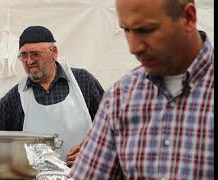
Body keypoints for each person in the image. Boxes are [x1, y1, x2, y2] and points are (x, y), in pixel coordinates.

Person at [70, 0, 214, 179]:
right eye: (126, 30)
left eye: (146, 30)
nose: (133, 47)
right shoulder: (121, 97)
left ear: (188, 17)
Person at [0, 25, 104, 163]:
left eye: (35, 54)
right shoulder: (16, 97)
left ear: (54, 51)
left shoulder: (83, 82)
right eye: (23, 55)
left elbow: (112, 129)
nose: (29, 61)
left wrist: (92, 150)